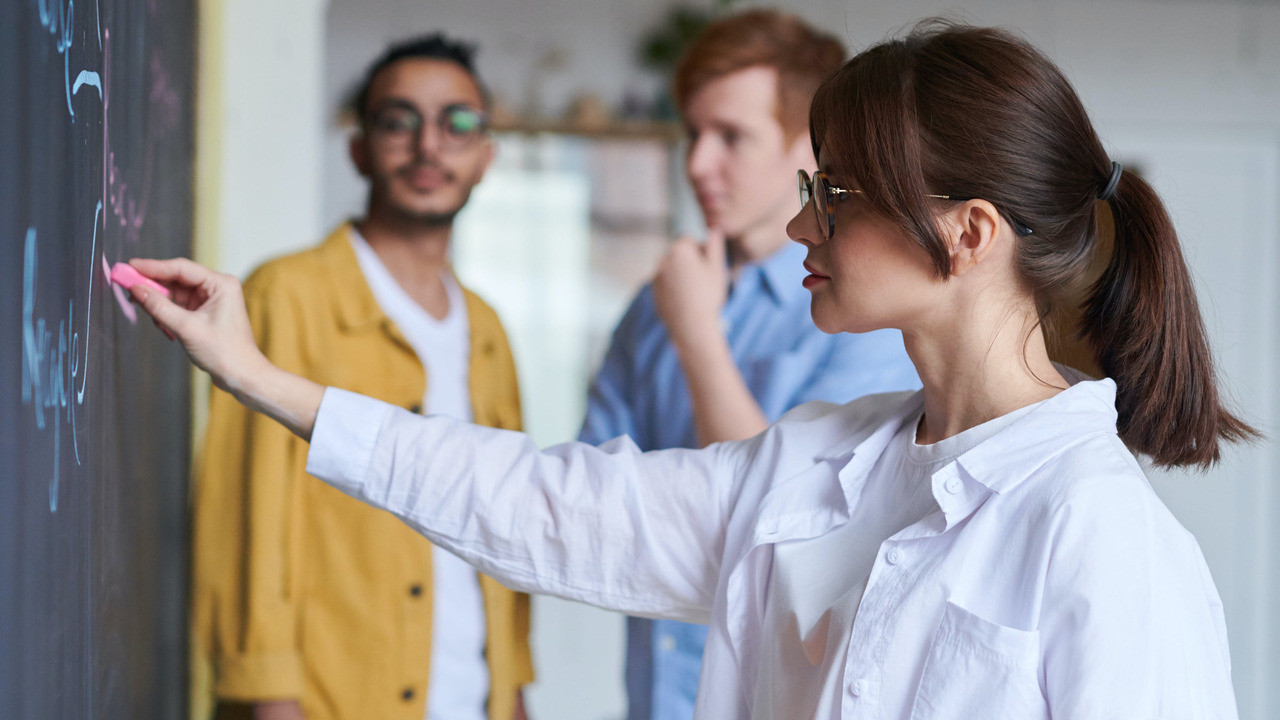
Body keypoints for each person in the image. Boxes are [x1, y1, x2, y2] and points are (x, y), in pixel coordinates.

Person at [135, 20, 1254, 719]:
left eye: (836, 195)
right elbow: (543, 502)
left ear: (964, 235)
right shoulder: (817, 458)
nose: (802, 226)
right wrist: (264, 379)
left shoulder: (1102, 537)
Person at [578, 11, 919, 719]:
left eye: (731, 136)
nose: (699, 162)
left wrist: (697, 335)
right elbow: (597, 496)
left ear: (806, 147)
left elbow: (792, 522)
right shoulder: (655, 304)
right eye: (693, 133)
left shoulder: (867, 314)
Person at [189, 34, 531, 720]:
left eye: (457, 123)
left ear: (486, 155)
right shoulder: (287, 295)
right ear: (358, 148)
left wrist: (514, 689)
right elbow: (245, 514)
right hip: (330, 701)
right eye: (398, 120)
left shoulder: (488, 329)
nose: (429, 146)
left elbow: (504, 515)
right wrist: (267, 696)